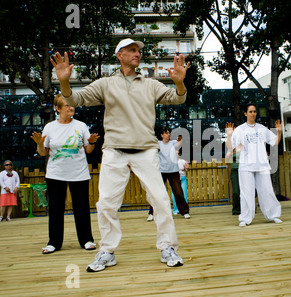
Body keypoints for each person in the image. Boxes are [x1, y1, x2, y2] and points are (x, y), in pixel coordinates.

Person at [50, 38, 190, 271]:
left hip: (145, 151)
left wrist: (180, 84)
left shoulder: (151, 85)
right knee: (106, 203)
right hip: (114, 151)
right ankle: (107, 251)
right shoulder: (105, 84)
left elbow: (178, 98)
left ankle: (168, 247)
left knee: (161, 201)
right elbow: (76, 99)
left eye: (138, 51)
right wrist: (64, 82)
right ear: (120, 55)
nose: (137, 54)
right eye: (132, 50)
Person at [30, 94, 98, 254]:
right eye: (67, 105)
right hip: (56, 174)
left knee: (81, 208)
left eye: (72, 105)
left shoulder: (81, 126)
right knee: (55, 208)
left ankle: (87, 240)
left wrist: (93, 142)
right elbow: (43, 153)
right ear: (58, 109)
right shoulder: (50, 127)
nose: (71, 107)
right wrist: (40, 144)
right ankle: (54, 242)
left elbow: (88, 149)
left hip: (79, 173)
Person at [226, 103, 283, 227]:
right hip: (246, 166)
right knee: (247, 192)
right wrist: (230, 135)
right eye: (250, 111)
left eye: (255, 111)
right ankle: (245, 218)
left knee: (267, 190)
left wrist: (279, 133)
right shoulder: (240, 129)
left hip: (262, 165)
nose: (253, 114)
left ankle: (273, 215)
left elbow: (274, 142)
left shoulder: (262, 128)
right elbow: (231, 147)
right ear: (245, 113)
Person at [147, 129, 190, 220]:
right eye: (166, 133)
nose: (168, 134)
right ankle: (152, 213)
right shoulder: (158, 143)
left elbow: (178, 144)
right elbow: (150, 147)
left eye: (169, 133)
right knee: (157, 192)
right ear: (162, 135)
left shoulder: (173, 142)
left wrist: (180, 139)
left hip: (173, 171)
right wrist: (152, 140)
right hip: (161, 171)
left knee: (178, 192)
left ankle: (185, 212)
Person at [171, 150, 189, 215]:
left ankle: (185, 210)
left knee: (184, 194)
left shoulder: (183, 161)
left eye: (178, 153)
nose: (177, 154)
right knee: (174, 195)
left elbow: (187, 170)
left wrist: (187, 167)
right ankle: (176, 210)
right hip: (174, 179)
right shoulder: (170, 162)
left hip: (183, 178)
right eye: (175, 153)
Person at [226, 149, 241, 215]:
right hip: (235, 170)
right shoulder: (233, 146)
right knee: (236, 191)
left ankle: (250, 208)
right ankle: (236, 209)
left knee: (248, 190)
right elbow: (227, 159)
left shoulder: (248, 143)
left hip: (247, 169)